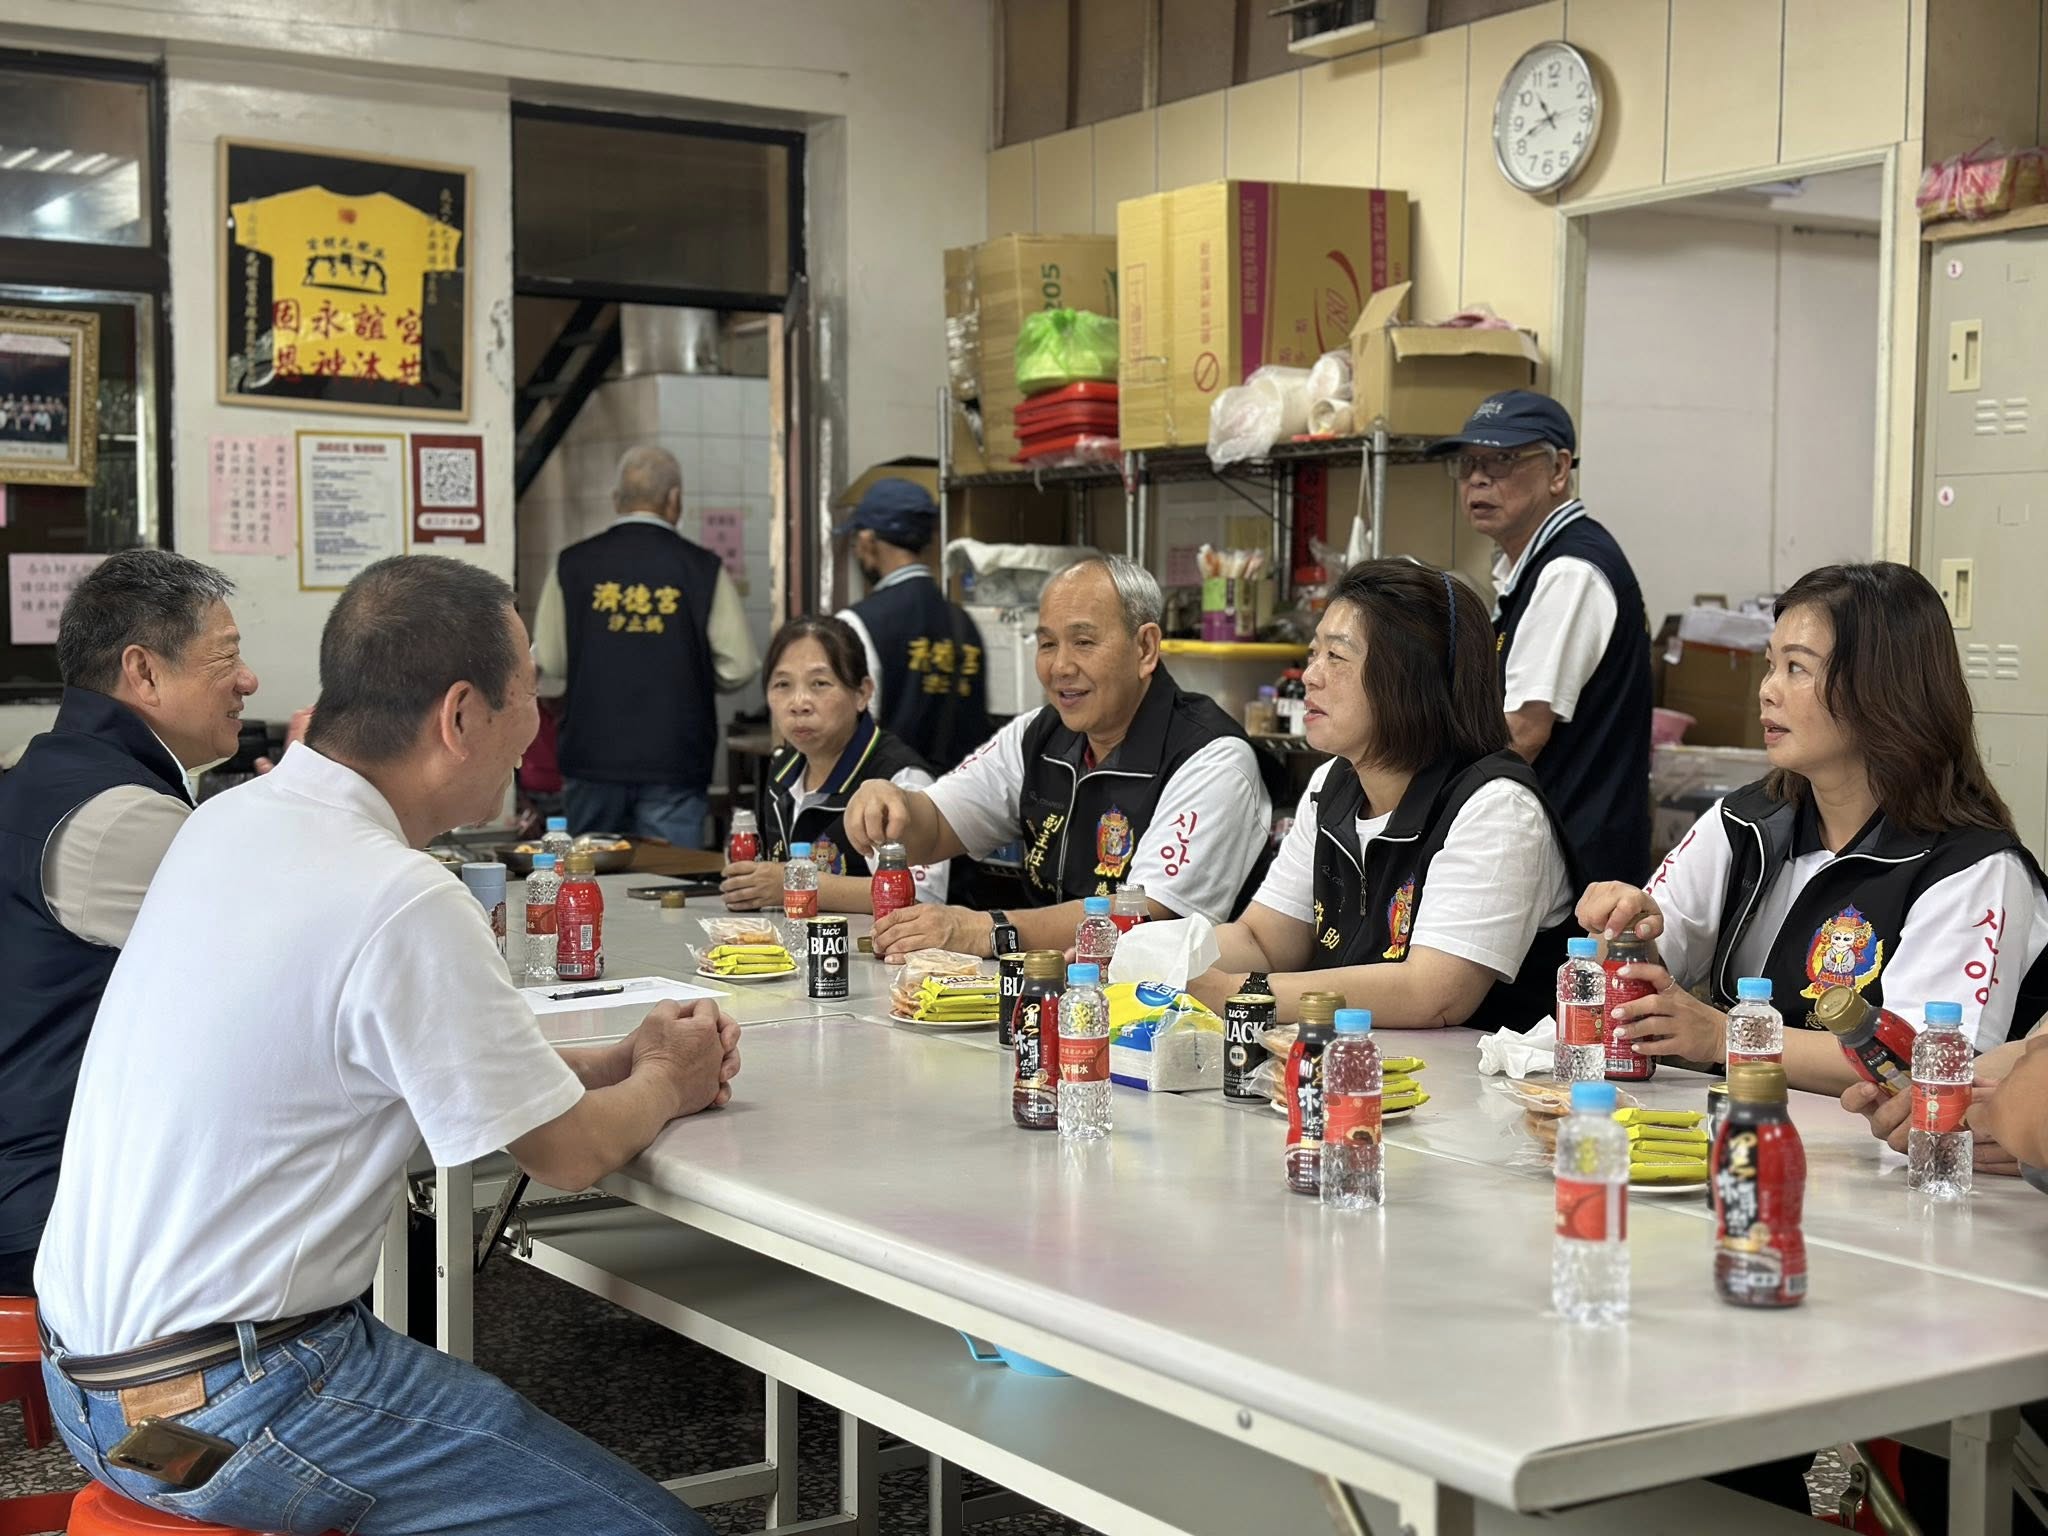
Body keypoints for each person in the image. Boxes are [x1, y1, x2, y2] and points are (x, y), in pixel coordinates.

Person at [34, 555, 741, 1536]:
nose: (538, 724)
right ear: (460, 717)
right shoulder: (401, 893)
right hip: (240, 1399)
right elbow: (569, 1154)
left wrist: (606, 1066)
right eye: (527, 694)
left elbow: (354, 1067)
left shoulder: (231, 820)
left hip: (82, 1383)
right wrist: (669, 1078)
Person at [1579, 562, 2048, 1095]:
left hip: (1891, 1163)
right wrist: (1627, 936)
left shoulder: (1973, 866)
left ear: (1881, 689)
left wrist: (1722, 1037)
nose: (1767, 691)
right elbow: (1656, 961)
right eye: (1770, 664)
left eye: (1797, 668)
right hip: (1740, 1132)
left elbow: (1927, 1060)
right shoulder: (1746, 822)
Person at [0, 549, 260, 1295]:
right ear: (143, 671)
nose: (249, 681)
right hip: (51, 1195)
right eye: (228, 658)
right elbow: (290, 958)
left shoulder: (43, 768)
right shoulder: (123, 820)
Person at [1185, 559, 1576, 1026]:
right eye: (1313, 654)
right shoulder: (1333, 783)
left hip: (1491, 1091)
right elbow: (1263, 941)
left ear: (1410, 680)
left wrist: (1237, 993)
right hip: (1363, 1073)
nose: (1309, 675)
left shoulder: (1497, 808)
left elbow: (1432, 993)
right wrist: (1161, 953)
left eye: (1336, 656)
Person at [843, 555, 1279, 961]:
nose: (1060, 667)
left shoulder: (1213, 759)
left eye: (1084, 642)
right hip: (1051, 992)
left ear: (1145, 648)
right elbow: (936, 824)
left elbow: (1148, 914)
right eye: (1047, 644)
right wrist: (890, 802)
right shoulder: (1040, 733)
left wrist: (984, 930)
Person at [1430, 389, 1651, 888]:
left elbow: (1522, 733)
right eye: (1467, 464)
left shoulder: (1569, 571)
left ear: (1559, 470)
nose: (1478, 479)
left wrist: (1425, 800)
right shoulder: (1534, 565)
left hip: (1574, 863)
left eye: (1503, 460)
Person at [533, 444, 760, 848]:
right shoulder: (701, 568)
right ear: (675, 499)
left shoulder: (573, 563)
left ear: (616, 500)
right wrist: (694, 674)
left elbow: (550, 660)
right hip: (675, 758)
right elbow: (739, 665)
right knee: (667, 885)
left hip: (592, 756)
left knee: (589, 881)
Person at [721, 615, 949, 912]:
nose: (799, 703)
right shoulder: (783, 770)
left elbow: (921, 896)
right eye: (782, 685)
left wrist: (796, 883)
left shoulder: (900, 778)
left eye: (820, 683)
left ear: (862, 693)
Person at [835, 476, 991, 772]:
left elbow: (850, 738)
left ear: (868, 541)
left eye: (856, 542)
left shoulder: (857, 624)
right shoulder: (964, 623)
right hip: (961, 807)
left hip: (889, 804)